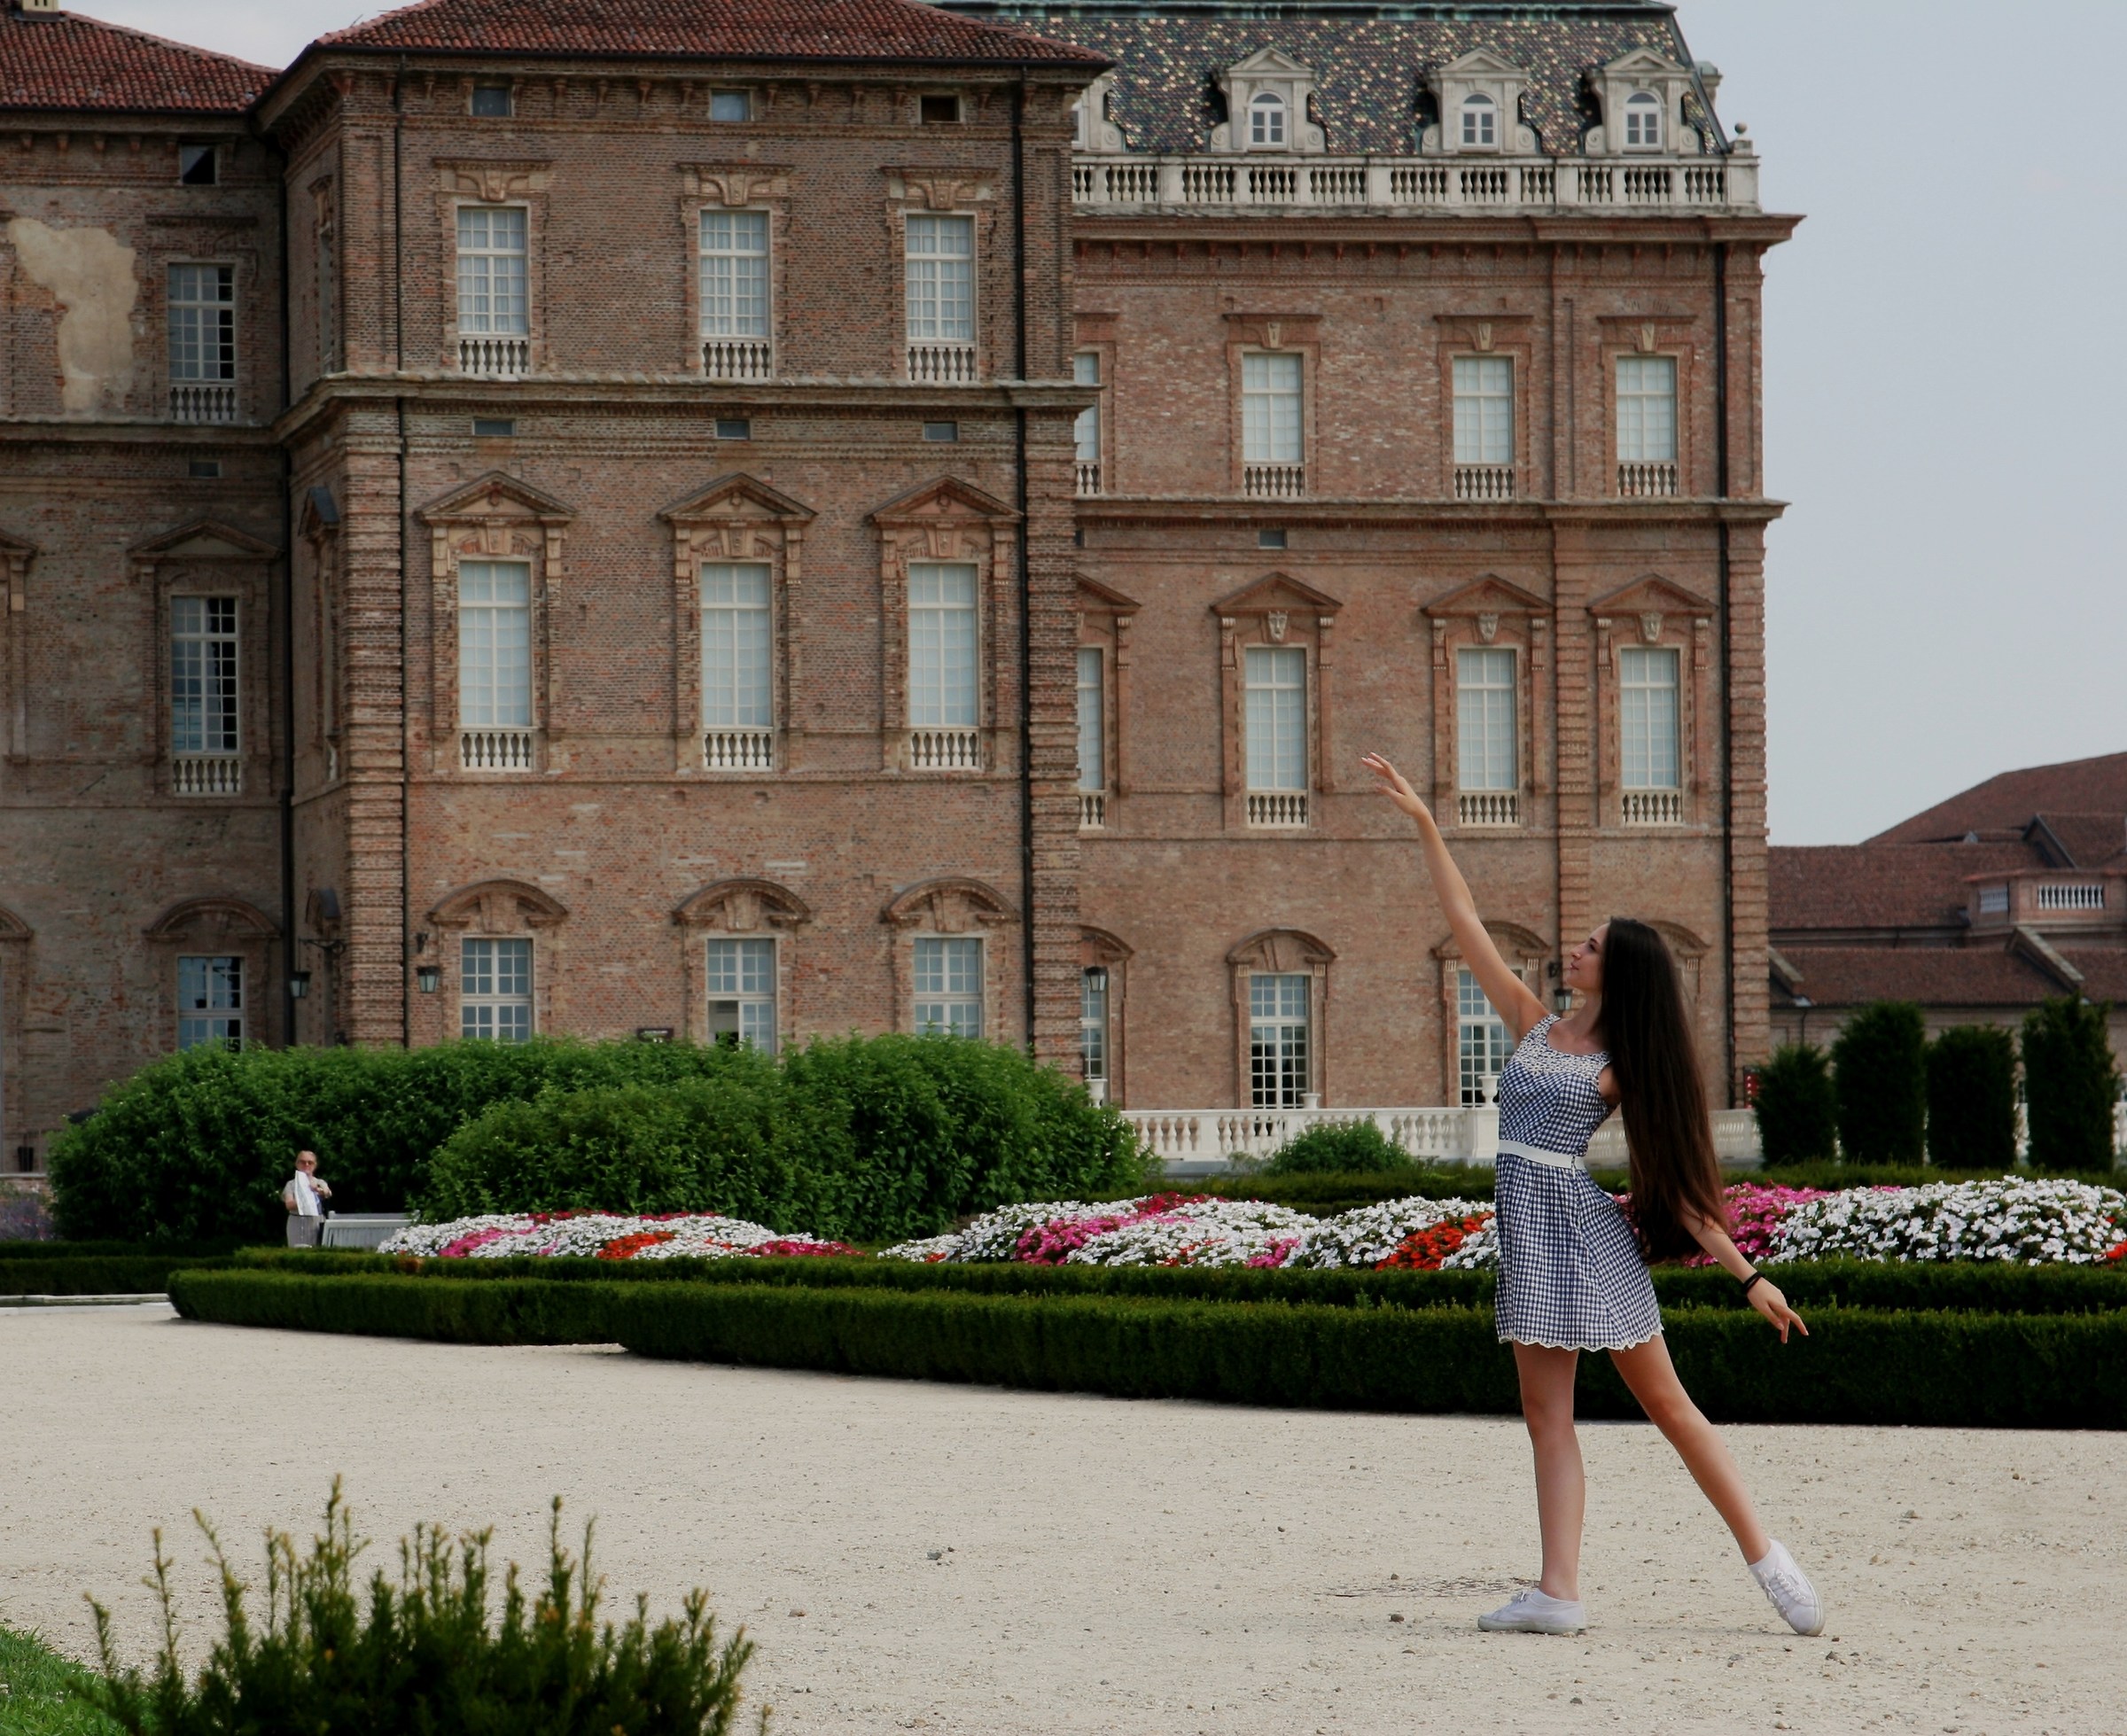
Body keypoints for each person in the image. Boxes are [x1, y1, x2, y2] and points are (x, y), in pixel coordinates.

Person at [1361, 752, 1824, 1639]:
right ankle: (1559, 1592)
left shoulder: (1620, 1068)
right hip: (1530, 1237)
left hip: (1582, 1234)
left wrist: (1748, 1277)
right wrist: (1426, 821)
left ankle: (1769, 1560)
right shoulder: (1534, 1025)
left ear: (1618, 974)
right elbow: (1465, 924)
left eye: (1589, 947)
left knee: (1667, 1404)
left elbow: (1680, 1193)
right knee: (1546, 1415)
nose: (1571, 951)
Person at [282, 1148, 331, 1249]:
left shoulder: (319, 1182)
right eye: (303, 1162)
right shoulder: (291, 1184)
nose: (306, 1165)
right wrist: (305, 1199)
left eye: (310, 1162)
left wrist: (317, 1190)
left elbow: (327, 1193)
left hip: (315, 1222)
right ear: (297, 1164)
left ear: (315, 1165)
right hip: (296, 1221)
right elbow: (289, 1204)